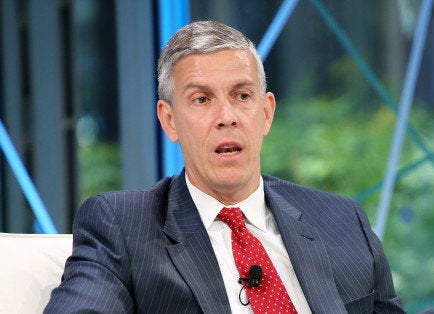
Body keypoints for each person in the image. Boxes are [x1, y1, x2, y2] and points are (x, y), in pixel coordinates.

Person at [45, 20, 404, 313]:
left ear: (266, 113)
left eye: (242, 96)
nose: (226, 117)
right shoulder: (122, 226)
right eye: (201, 99)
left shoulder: (341, 220)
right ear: (169, 120)